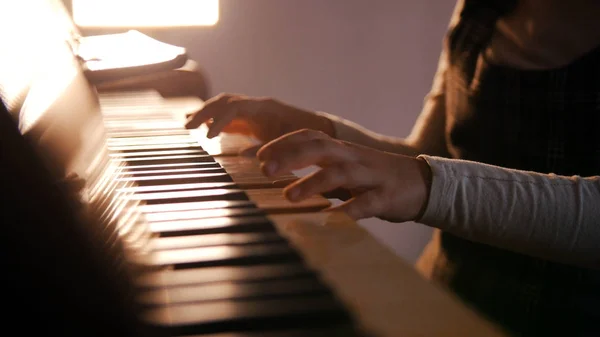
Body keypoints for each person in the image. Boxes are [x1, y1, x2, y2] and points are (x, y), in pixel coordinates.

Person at [185, 0, 600, 336]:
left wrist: (429, 185)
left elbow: (429, 180)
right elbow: (428, 155)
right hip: (441, 300)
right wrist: (319, 133)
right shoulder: (478, 9)